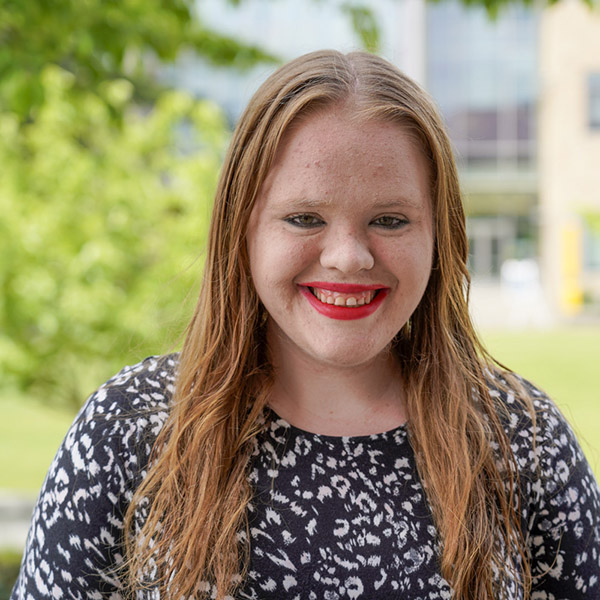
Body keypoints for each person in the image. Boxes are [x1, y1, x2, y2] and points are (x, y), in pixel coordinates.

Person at [11, 50, 600, 600]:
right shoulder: (129, 431)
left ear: (439, 236)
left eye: (390, 220)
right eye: (303, 218)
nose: (349, 256)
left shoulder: (522, 443)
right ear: (241, 230)